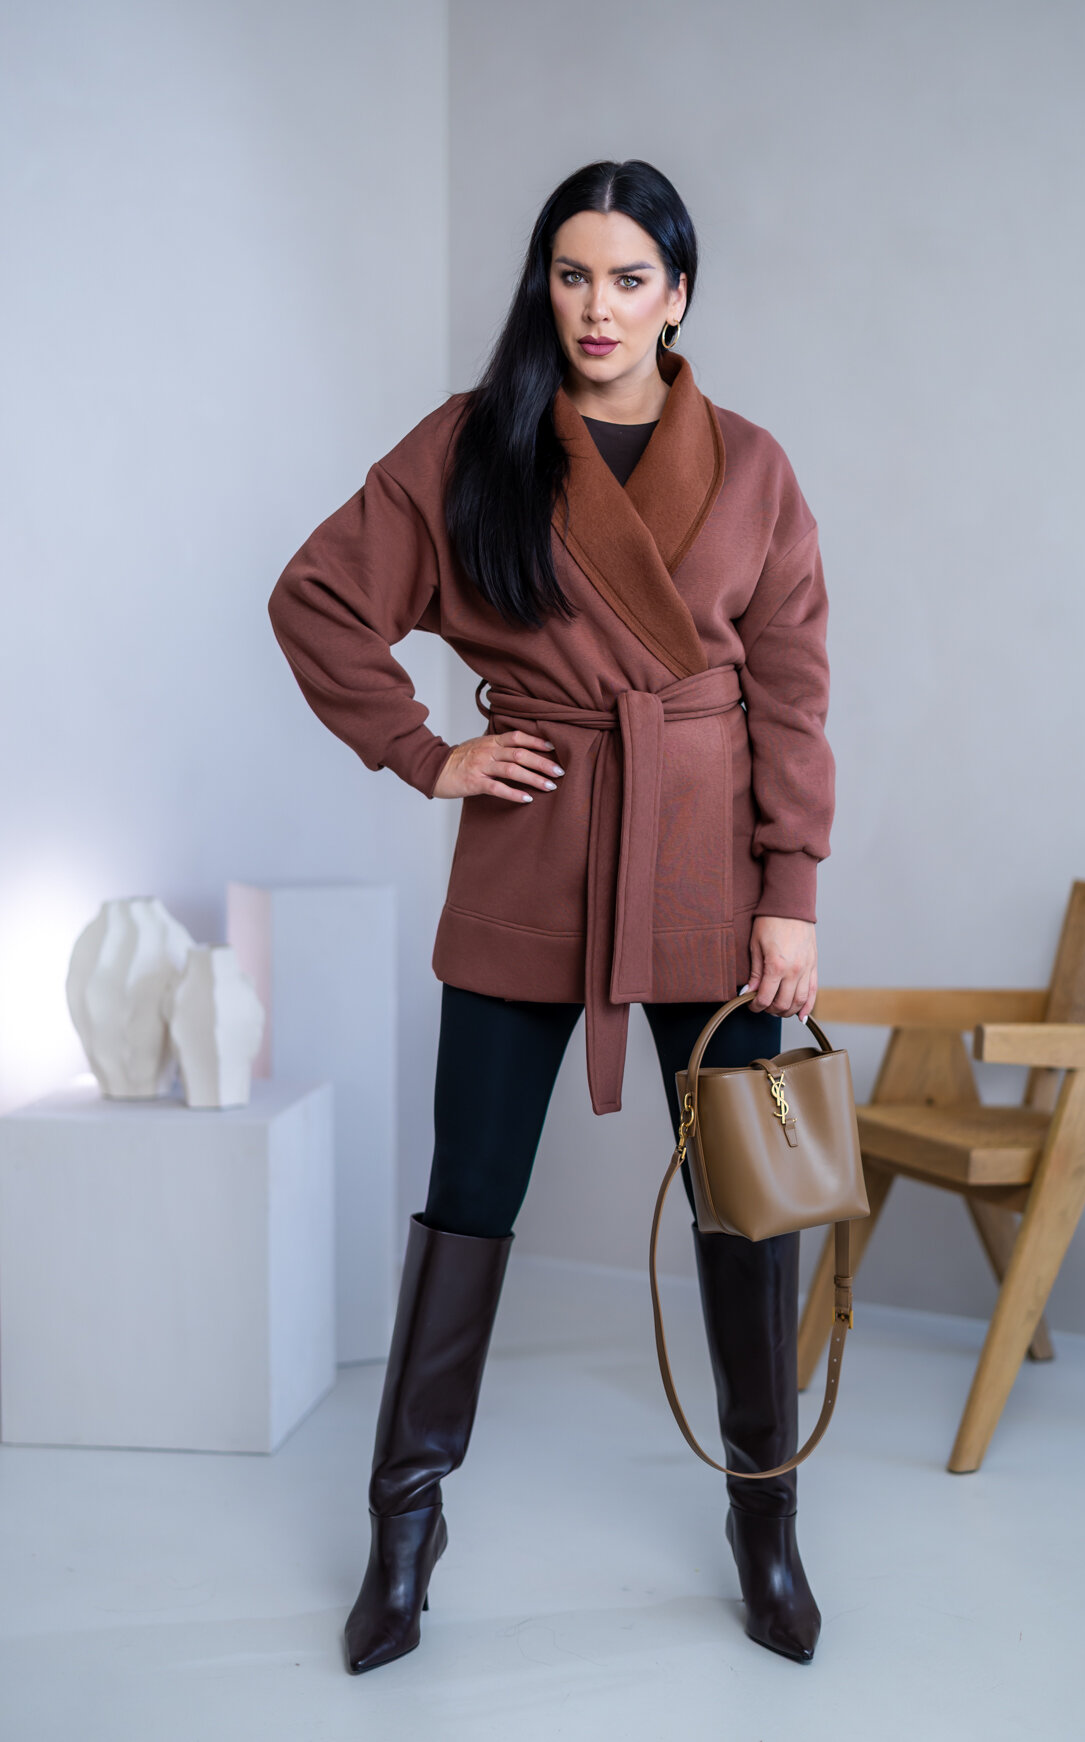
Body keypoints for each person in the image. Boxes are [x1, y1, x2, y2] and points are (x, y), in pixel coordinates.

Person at [268, 158, 835, 1675]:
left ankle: (765, 1515)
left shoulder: (753, 465)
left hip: (711, 866)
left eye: (629, 278)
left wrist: (789, 895)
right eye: (571, 275)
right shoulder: (475, 442)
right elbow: (319, 597)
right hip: (533, 856)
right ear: (546, 286)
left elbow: (790, 695)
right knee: (469, 1193)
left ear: (678, 294)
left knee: (748, 1197)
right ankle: (404, 1522)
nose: (597, 307)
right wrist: (427, 751)